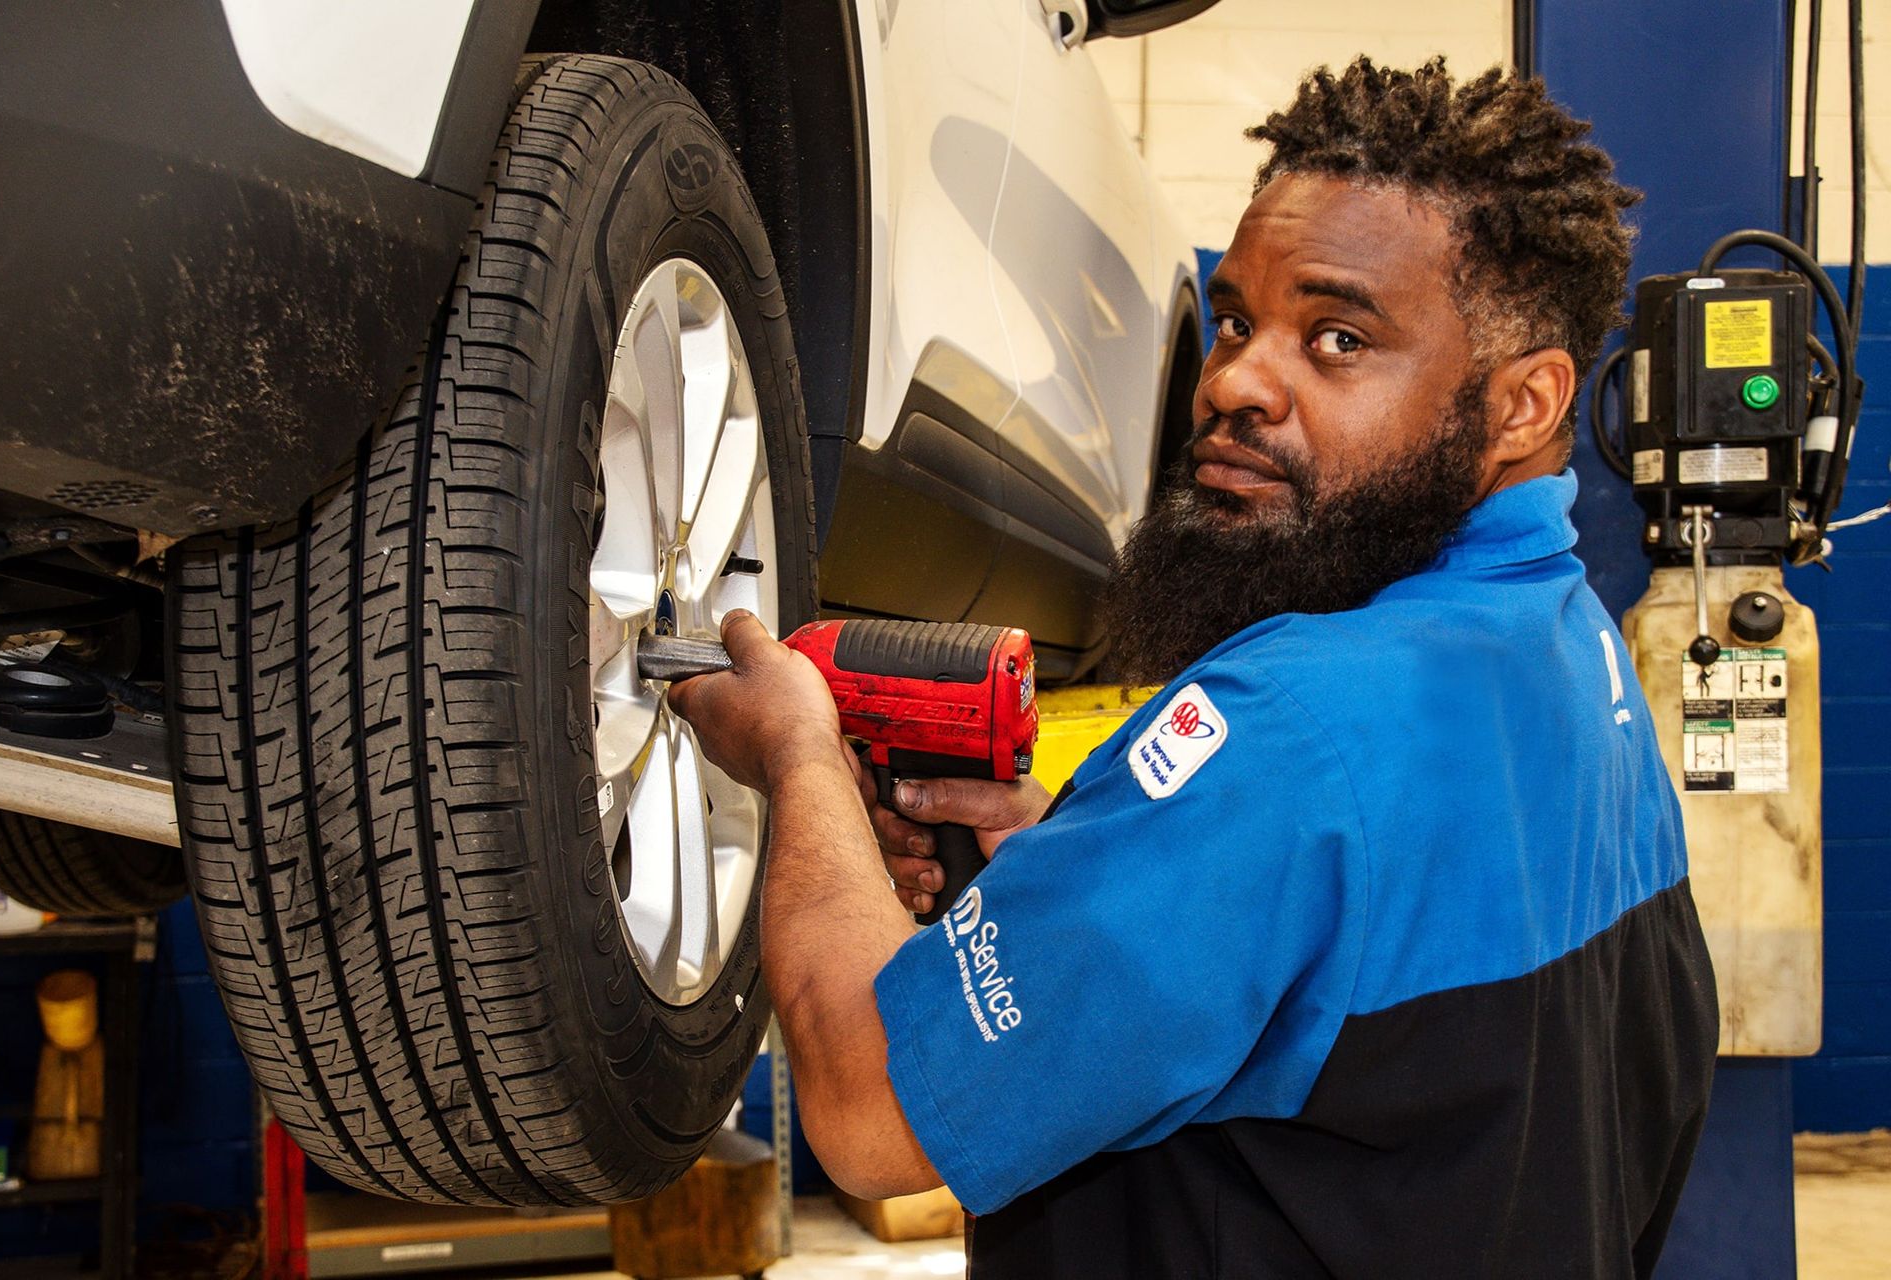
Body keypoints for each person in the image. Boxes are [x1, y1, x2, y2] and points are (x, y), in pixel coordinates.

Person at [670, 57, 1718, 1278]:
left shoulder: (1293, 724)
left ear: (1523, 405)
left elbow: (866, 1105)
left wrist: (798, 753)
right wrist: (1107, 869)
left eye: (1337, 338)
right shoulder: (1581, 653)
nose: (1232, 383)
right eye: (1234, 322)